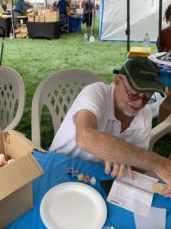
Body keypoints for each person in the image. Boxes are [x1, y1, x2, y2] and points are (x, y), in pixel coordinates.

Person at [50, 57, 171, 197]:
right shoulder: (96, 92)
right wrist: (162, 165)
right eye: (133, 94)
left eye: (147, 96)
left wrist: (125, 157)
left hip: (97, 180)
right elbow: (85, 137)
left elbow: (137, 166)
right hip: (59, 167)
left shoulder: (145, 115)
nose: (139, 103)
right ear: (117, 82)